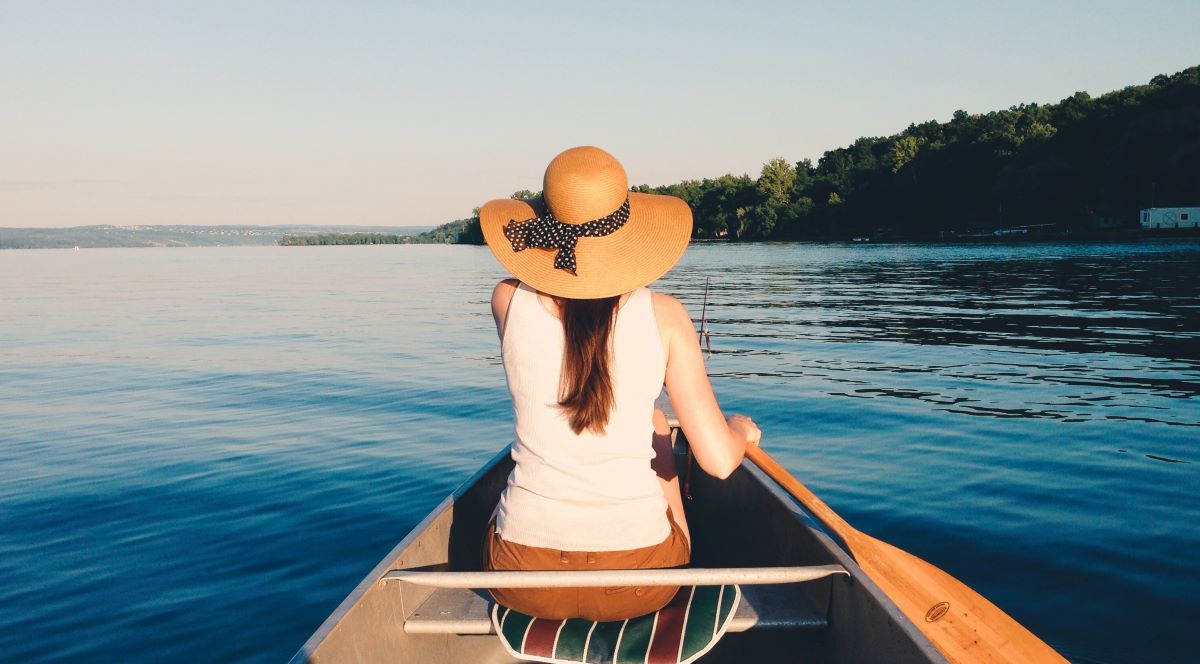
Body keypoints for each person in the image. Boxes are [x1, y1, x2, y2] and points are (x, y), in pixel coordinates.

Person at [478, 146, 761, 622]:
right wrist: (738, 430)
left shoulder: (507, 299)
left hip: (521, 579)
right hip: (641, 582)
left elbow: (574, 359)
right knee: (659, 434)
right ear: (628, 232)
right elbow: (717, 461)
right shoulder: (665, 316)